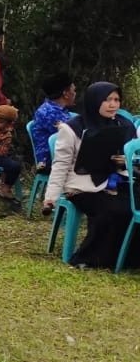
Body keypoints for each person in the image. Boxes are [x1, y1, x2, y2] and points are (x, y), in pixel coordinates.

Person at [44, 82, 138, 269]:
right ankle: (88, 259)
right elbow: (60, 165)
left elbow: (134, 156)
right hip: (82, 186)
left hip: (116, 179)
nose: (113, 104)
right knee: (111, 211)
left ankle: (129, 258)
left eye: (117, 100)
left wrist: (125, 160)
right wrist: (51, 198)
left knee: (134, 207)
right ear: (94, 101)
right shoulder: (72, 128)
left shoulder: (123, 124)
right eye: (107, 100)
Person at [31, 74, 76, 172]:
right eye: (74, 90)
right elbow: (72, 135)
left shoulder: (58, 109)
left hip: (62, 155)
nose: (75, 94)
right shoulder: (49, 113)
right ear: (65, 93)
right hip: (49, 160)